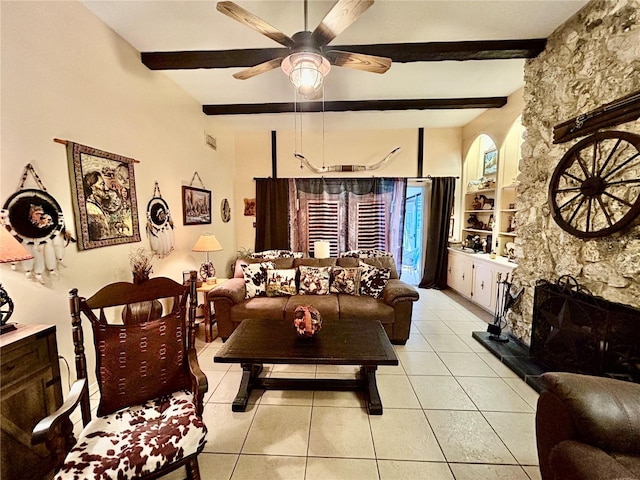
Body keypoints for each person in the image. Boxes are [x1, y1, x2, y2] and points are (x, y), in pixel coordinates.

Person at [83, 171, 111, 240]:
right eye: (102, 184)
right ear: (92, 187)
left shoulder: (100, 205)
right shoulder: (91, 208)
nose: (106, 188)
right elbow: (103, 236)